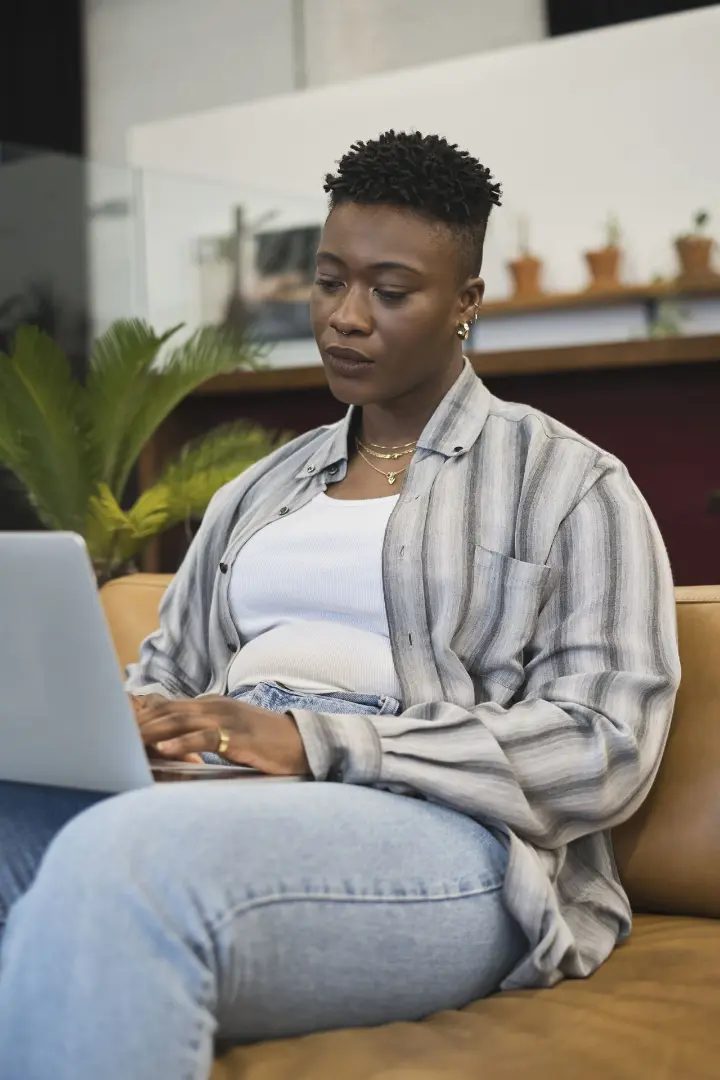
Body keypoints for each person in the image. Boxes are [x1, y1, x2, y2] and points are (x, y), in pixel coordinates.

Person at [0, 131, 680, 1079]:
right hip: (218, 787)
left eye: (391, 292)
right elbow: (169, 668)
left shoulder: (569, 484)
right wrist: (133, 721)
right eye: (328, 283)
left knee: (126, 863)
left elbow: (604, 746)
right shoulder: (261, 489)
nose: (346, 318)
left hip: (441, 828)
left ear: (465, 305)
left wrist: (319, 740)